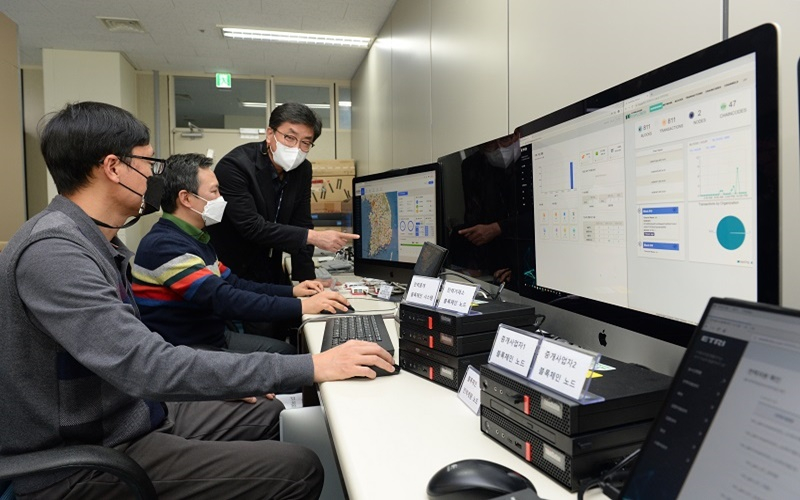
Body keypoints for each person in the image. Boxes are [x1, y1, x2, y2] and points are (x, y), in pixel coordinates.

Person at [0, 101, 395, 499]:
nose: (155, 176)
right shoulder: (56, 253)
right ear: (114, 167)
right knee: (300, 467)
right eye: (147, 163)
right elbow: (145, 364)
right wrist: (313, 365)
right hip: (88, 457)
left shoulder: (99, 241)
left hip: (131, 412)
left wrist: (225, 379)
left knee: (269, 412)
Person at [132, 153, 354, 355]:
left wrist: (294, 291)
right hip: (188, 351)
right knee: (292, 360)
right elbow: (226, 300)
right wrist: (304, 306)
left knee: (289, 351)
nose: (222, 199)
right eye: (214, 191)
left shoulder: (196, 237)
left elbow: (234, 284)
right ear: (186, 198)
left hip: (212, 337)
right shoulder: (165, 246)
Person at [208, 102, 359, 286]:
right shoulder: (235, 166)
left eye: (305, 142)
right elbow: (252, 227)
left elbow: (301, 222)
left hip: (271, 266)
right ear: (270, 133)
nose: (296, 148)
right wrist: (314, 237)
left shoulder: (302, 169)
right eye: (290, 137)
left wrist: (307, 279)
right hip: (234, 270)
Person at [449, 131, 521, 286]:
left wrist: (498, 228)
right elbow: (474, 218)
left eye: (505, 139)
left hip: (526, 256)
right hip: (492, 260)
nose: (499, 148)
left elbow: (536, 219)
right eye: (491, 143)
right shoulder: (472, 167)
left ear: (517, 135)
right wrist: (476, 267)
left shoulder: (533, 157)